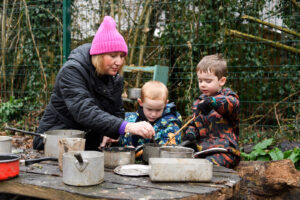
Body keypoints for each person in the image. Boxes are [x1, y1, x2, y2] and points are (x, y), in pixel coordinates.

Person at [33, 16, 154, 151]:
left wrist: (109, 133)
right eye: (113, 56)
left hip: (87, 144)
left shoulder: (114, 78)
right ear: (98, 55)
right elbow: (83, 110)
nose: (119, 62)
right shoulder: (72, 71)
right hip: (54, 142)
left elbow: (117, 111)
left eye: (121, 56)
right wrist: (127, 126)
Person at [183, 54, 240, 168]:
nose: (203, 84)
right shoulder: (199, 102)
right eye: (200, 80)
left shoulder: (228, 96)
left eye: (208, 81)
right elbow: (195, 122)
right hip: (202, 150)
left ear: (222, 81)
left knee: (206, 166)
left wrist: (212, 102)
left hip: (224, 150)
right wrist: (191, 132)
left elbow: (231, 103)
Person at [119, 81, 182, 150]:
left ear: (165, 104)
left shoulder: (171, 124)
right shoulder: (128, 119)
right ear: (141, 102)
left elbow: (168, 150)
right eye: (149, 109)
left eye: (158, 110)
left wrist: (136, 152)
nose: (153, 114)